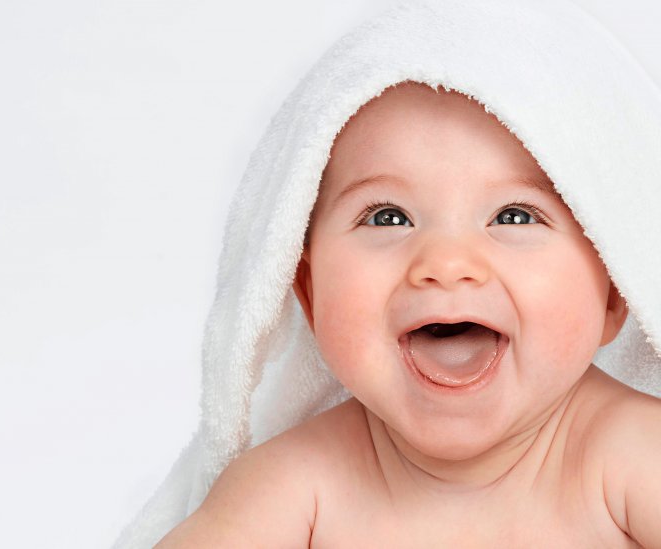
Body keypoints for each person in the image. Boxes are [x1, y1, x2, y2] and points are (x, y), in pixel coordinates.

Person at [116, 1, 661, 547]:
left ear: (614, 293)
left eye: (514, 216)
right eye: (388, 217)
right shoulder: (296, 488)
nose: (446, 265)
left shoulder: (634, 456)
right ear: (307, 291)